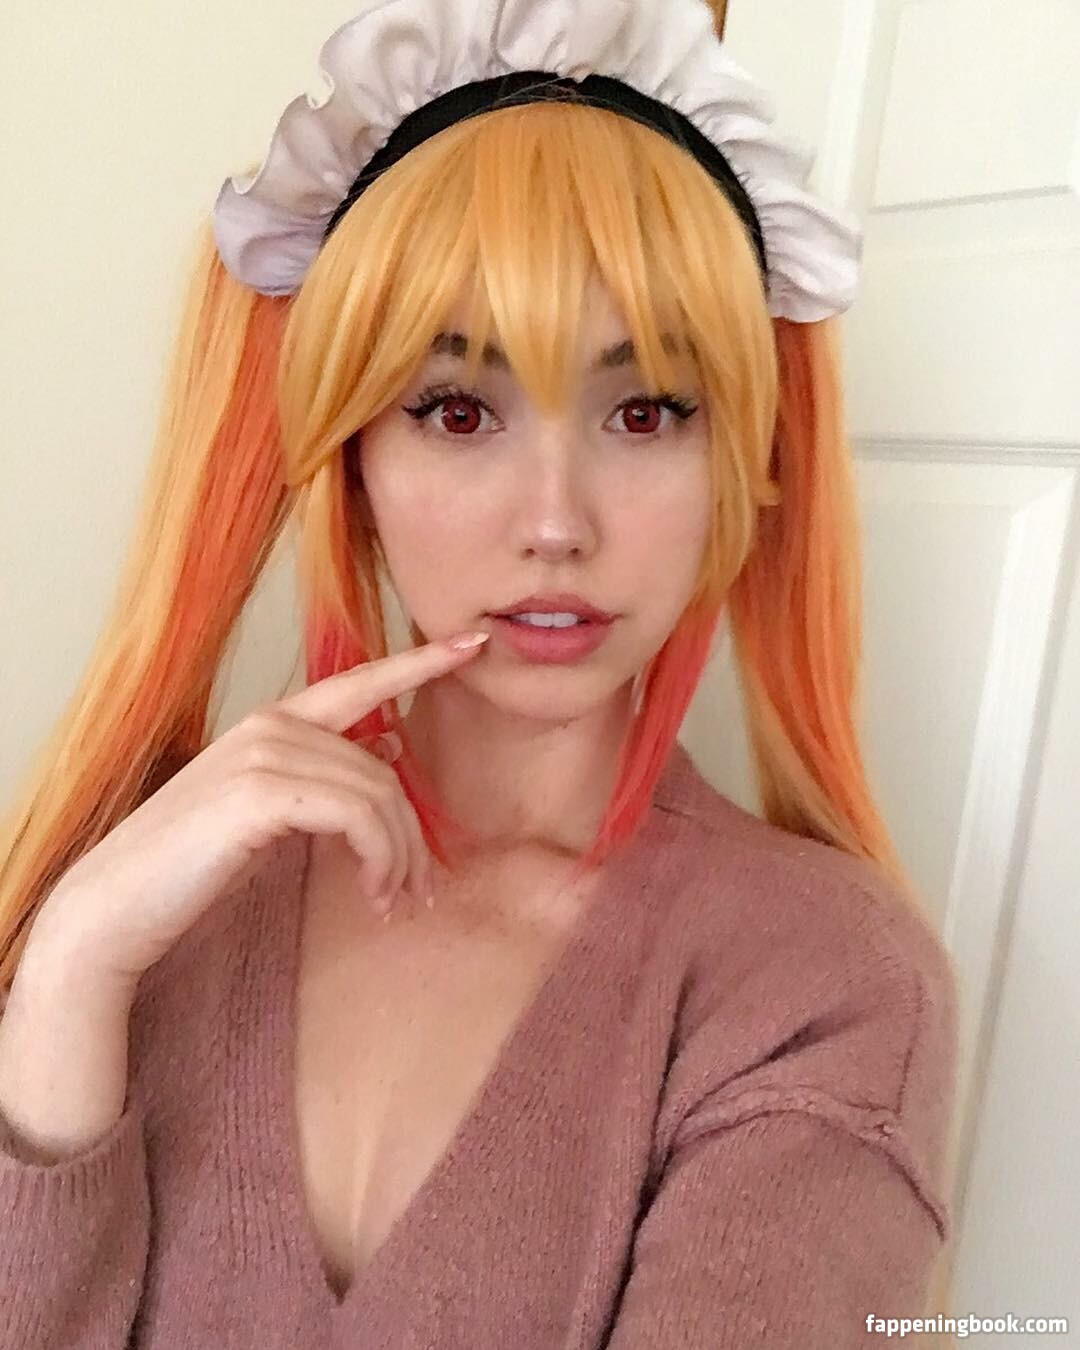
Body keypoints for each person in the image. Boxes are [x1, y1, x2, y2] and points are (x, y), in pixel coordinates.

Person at [0, 1, 960, 1345]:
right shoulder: (154, 893)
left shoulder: (823, 985)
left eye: (647, 409)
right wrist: (71, 966)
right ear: (350, 457)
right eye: (459, 410)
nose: (556, 521)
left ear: (744, 457)